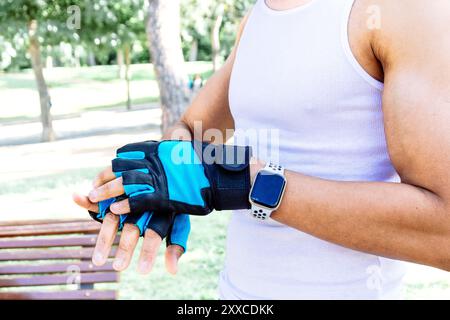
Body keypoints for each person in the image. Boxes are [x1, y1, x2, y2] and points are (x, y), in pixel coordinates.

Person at [73, 0, 450, 299]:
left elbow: (444, 233)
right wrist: (167, 177)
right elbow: (192, 129)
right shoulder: (256, 18)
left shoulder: (403, 9)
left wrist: (241, 181)